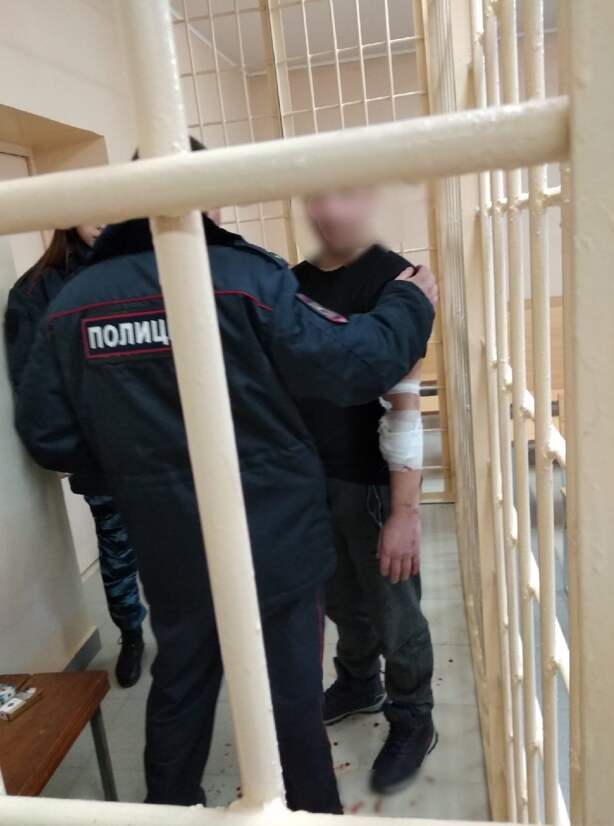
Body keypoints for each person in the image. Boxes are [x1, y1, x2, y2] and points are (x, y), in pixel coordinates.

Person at [14, 182, 437, 811]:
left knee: (182, 683)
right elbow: (353, 362)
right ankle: (308, 813)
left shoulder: (74, 300)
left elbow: (48, 434)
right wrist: (410, 302)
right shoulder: (250, 279)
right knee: (290, 695)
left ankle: (168, 811)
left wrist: (141, 471)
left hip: (171, 536)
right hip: (275, 528)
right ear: (211, 201)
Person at [294, 188, 436, 794]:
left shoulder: (399, 283)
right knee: (341, 600)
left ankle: (413, 715)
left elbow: (404, 405)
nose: (330, 210)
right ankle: (358, 682)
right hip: (312, 480)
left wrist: (405, 513)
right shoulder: (290, 283)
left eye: (345, 193)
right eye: (317, 195)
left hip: (375, 483)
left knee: (395, 612)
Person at [4, 225, 147, 688]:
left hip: (161, 446)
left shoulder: (142, 267)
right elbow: (31, 384)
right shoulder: (36, 290)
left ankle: (191, 634)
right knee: (117, 549)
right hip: (100, 453)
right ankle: (131, 633)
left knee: (181, 545)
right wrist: (68, 447)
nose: (101, 219)